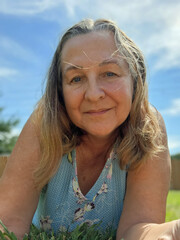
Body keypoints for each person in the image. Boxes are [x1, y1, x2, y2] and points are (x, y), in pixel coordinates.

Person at [0, 18, 179, 240]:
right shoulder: (43, 125)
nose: (94, 94)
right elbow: (8, 223)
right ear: (60, 91)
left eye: (110, 74)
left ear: (135, 79)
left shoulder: (149, 129)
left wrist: (172, 231)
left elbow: (139, 227)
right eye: (76, 78)